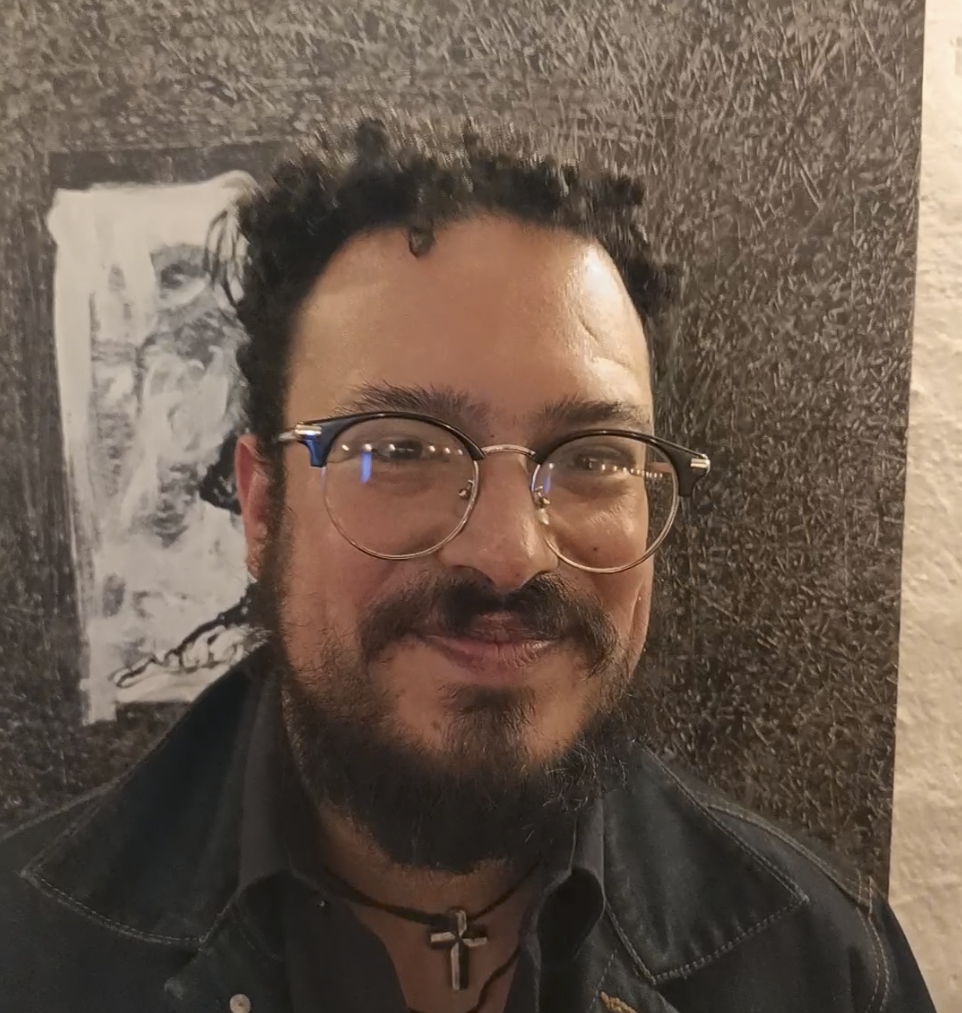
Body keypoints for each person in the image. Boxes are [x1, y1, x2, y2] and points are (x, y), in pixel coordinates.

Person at [0, 119, 935, 1013]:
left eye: (592, 457)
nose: (509, 553)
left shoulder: (822, 969)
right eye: (399, 449)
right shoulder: (30, 952)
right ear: (262, 509)